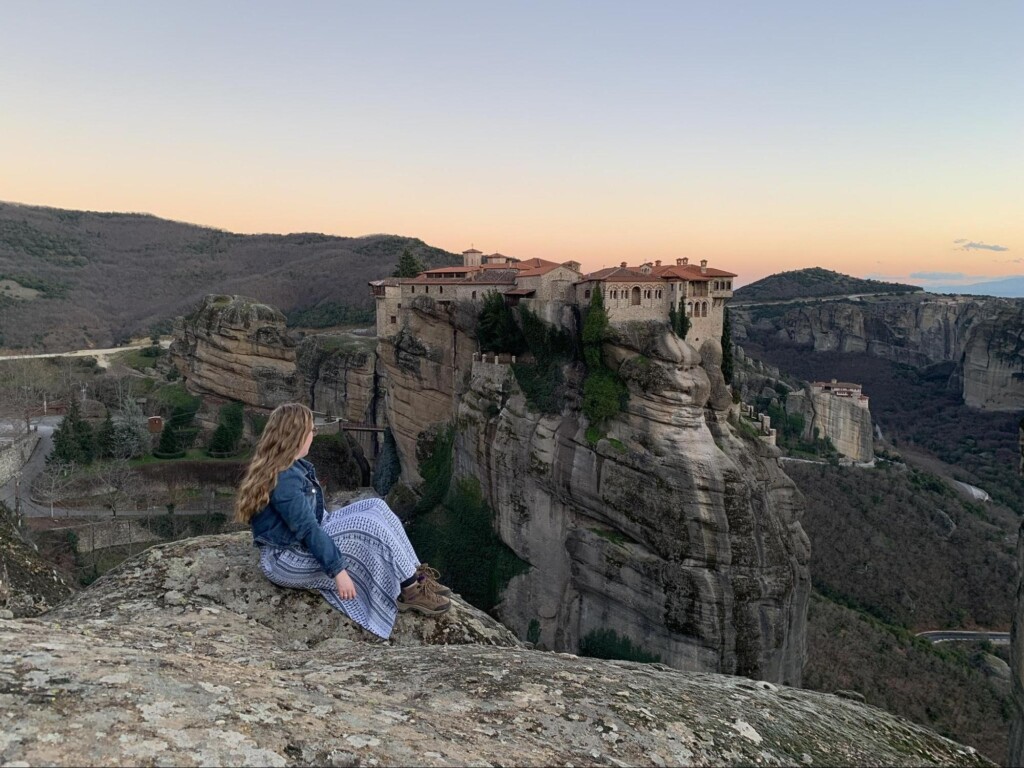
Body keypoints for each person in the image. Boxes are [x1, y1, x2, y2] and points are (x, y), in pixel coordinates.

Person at [234, 403, 450, 639]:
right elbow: (308, 531)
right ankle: (410, 589)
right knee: (369, 528)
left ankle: (417, 577)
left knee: (376, 505)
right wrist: (338, 571)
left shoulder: (290, 466)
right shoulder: (285, 479)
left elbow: (312, 521)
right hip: (286, 558)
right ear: (296, 437)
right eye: (311, 430)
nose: (314, 434)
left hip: (302, 541)